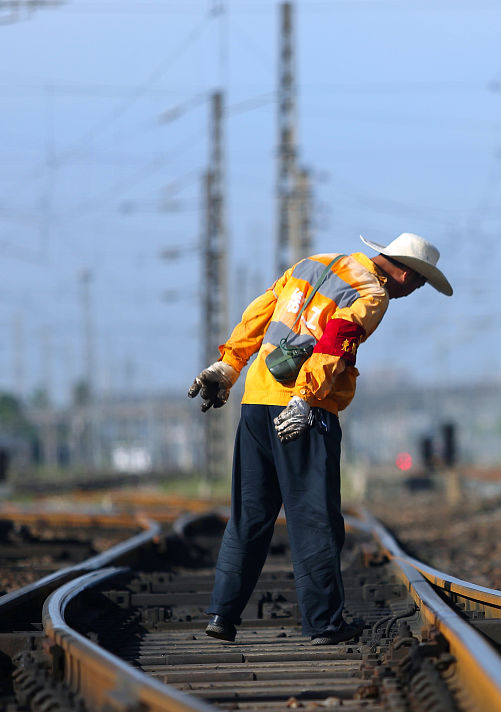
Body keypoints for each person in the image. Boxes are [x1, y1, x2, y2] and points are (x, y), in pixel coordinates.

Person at [188, 232, 452, 644]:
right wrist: (305, 399)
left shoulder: (312, 264)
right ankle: (324, 625)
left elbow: (260, 312)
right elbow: (336, 343)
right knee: (315, 520)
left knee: (249, 515)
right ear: (403, 271)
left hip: (256, 402)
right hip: (304, 409)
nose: (415, 291)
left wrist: (227, 366)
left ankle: (222, 615)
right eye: (418, 283)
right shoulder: (371, 293)